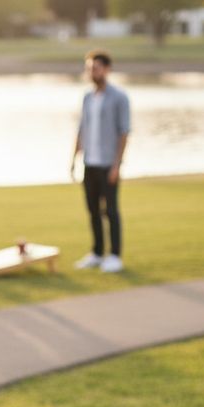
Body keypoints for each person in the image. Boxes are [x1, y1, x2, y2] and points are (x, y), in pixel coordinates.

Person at [71, 50, 131, 273]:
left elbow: (124, 133)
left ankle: (114, 255)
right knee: (93, 210)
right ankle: (97, 253)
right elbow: (81, 129)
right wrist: (74, 159)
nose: (91, 72)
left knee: (111, 211)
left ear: (106, 69)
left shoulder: (119, 97)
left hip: (108, 164)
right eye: (89, 68)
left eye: (95, 68)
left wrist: (117, 165)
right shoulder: (87, 97)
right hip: (90, 163)